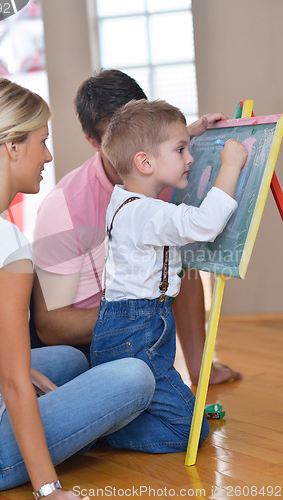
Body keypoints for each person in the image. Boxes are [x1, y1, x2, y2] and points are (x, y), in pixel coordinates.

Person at [0, 76, 156, 498]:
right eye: (41, 141)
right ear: (11, 147)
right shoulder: (4, 242)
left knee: (67, 360)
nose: (47, 155)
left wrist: (33, 379)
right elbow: (10, 380)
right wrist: (49, 490)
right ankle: (42, 462)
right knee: (135, 376)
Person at [32, 69, 241, 384]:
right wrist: (136, 312)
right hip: (101, 341)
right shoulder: (63, 207)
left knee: (179, 261)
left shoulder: (172, 174)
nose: (136, 146)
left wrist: (200, 368)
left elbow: (186, 272)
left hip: (152, 335)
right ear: (93, 141)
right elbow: (52, 325)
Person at [90, 99, 248, 452]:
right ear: (145, 162)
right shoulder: (146, 213)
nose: (189, 158)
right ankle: (101, 432)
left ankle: (113, 418)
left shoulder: (124, 199)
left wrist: (194, 131)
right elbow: (205, 224)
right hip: (138, 333)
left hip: (133, 327)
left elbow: (151, 148)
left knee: (179, 408)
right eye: (181, 150)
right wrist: (231, 165)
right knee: (191, 431)